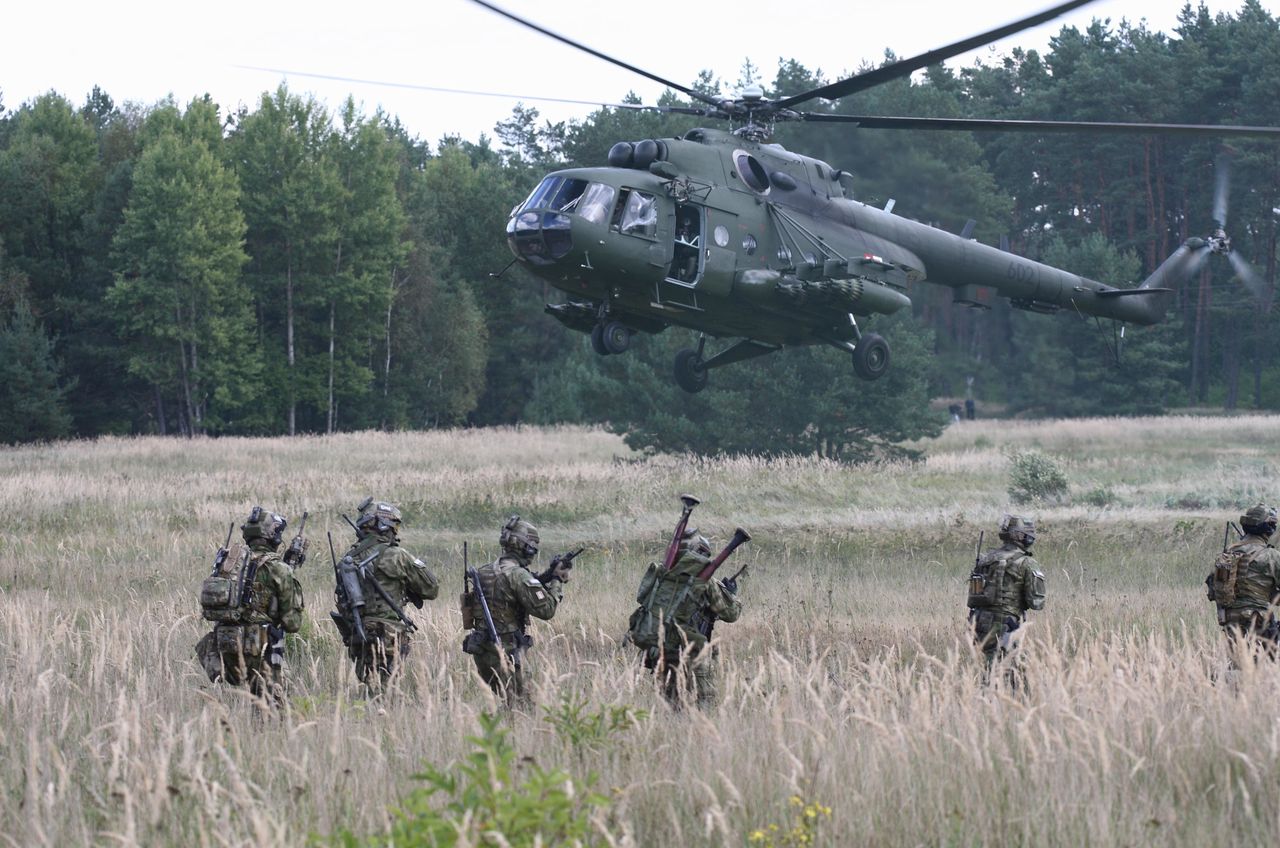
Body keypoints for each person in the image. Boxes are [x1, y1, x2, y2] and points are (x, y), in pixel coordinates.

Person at [196, 507, 305, 706]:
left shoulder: (231, 564)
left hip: (226, 645)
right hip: (262, 649)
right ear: (272, 536)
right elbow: (292, 623)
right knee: (274, 708)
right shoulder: (279, 569)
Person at [334, 498, 439, 696]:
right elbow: (431, 589)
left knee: (370, 686)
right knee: (385, 691)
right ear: (383, 525)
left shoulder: (349, 558)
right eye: (394, 526)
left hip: (358, 632)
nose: (395, 532)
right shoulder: (397, 555)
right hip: (388, 634)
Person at [628, 528, 742, 709]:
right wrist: (732, 594)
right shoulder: (706, 582)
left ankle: (674, 731)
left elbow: (643, 599)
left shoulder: (663, 573)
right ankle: (700, 732)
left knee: (671, 701)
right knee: (707, 698)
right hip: (691, 649)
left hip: (660, 646)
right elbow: (730, 614)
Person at [462, 515, 568, 708]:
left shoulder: (485, 570)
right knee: (522, 708)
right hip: (508, 652)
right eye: (532, 547)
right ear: (525, 547)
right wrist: (557, 581)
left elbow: (520, 589)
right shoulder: (517, 575)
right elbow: (546, 610)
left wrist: (548, 574)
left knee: (507, 702)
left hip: (483, 653)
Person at [966, 514, 1045, 684]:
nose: (1030, 537)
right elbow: (1037, 603)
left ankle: (985, 701)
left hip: (980, 622)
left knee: (990, 666)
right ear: (1017, 535)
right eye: (1027, 534)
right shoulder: (1027, 563)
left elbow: (975, 593)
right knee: (1015, 675)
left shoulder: (987, 559)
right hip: (1007, 625)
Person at [1206, 503, 1280, 660]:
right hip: (1260, 624)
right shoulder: (1271, 556)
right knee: (1264, 671)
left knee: (1236, 666)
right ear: (1269, 528)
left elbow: (1213, 591)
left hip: (1231, 623)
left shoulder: (1227, 555)